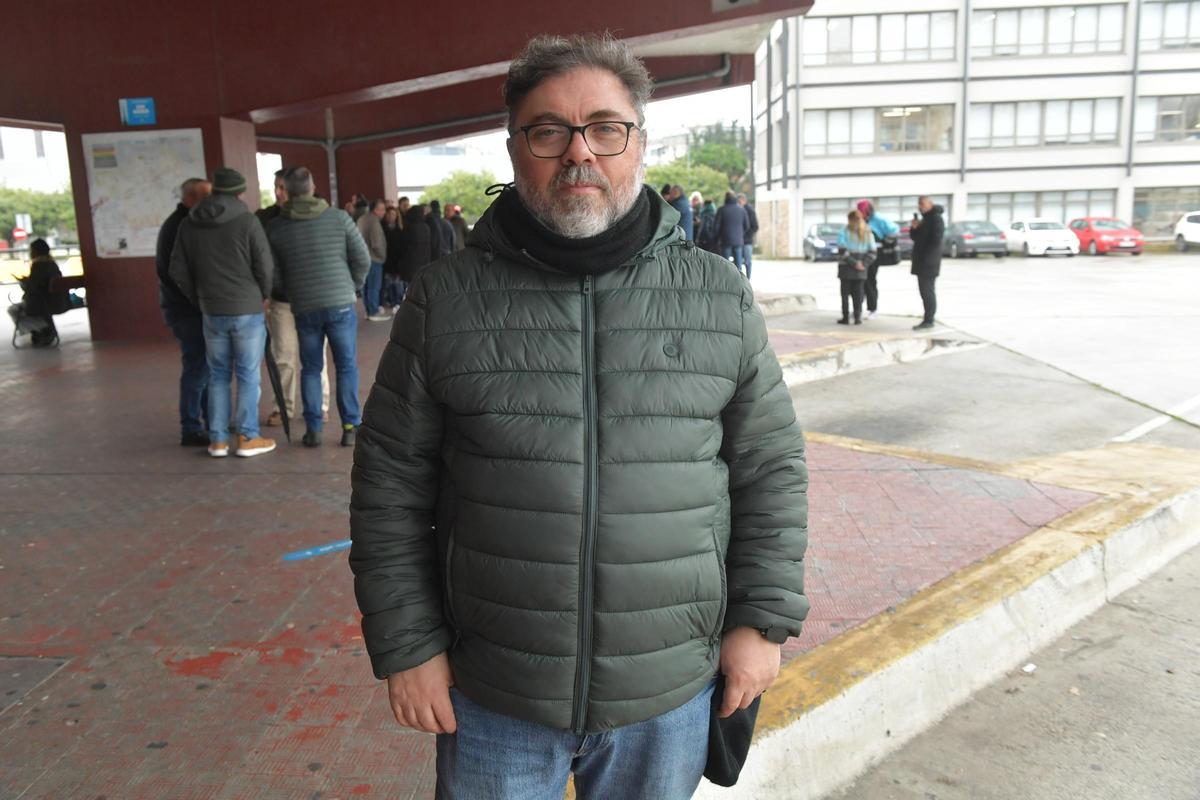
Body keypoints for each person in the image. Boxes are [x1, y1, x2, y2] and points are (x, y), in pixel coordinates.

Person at [348, 33, 808, 800]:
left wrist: (760, 624)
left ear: (639, 144)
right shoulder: (445, 298)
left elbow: (770, 473)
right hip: (493, 693)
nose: (578, 153)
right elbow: (389, 489)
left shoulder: (716, 296)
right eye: (548, 131)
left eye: (604, 127)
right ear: (515, 149)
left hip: (666, 692)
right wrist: (407, 646)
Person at [168, 167, 276, 458]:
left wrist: (199, 297)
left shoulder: (189, 224)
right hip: (246, 310)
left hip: (211, 310)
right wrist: (264, 295)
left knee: (217, 375)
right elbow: (264, 266)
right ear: (239, 192)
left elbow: (177, 269)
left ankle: (217, 441)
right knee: (247, 374)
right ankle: (247, 437)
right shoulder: (247, 220)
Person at [264, 167, 371, 448]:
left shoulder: (276, 228)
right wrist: (353, 287)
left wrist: (293, 292)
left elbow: (272, 273)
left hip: (304, 306)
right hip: (340, 303)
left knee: (311, 366)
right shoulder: (339, 218)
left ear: (287, 191)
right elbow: (362, 259)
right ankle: (350, 426)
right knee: (346, 365)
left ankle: (313, 430)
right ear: (312, 188)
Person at [258, 168, 330, 429]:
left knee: (315, 357)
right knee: (284, 356)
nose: (278, 193)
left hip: (313, 300)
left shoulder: (322, 216)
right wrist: (266, 290)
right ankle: (283, 407)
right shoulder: (265, 219)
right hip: (282, 300)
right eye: (275, 187)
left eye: (282, 187)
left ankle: (320, 406)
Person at [155, 177, 212, 444]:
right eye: (205, 196)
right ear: (190, 198)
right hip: (186, 310)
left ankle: (213, 420)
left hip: (189, 308)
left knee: (205, 366)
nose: (210, 201)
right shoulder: (179, 227)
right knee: (197, 366)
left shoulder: (183, 223)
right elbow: (175, 275)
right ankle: (191, 427)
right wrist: (199, 300)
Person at [19, 238, 68, 347]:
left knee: (14, 310)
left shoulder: (38, 265)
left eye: (31, 250)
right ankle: (43, 330)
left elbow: (32, 288)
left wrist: (23, 282)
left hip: (43, 303)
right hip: (57, 300)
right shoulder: (52, 263)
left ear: (35, 251)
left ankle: (41, 330)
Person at [856, 200, 899, 319]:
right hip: (861, 253)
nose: (860, 214)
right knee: (859, 282)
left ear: (867, 211)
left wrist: (885, 242)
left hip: (873, 254)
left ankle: (872, 309)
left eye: (861, 211)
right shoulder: (861, 220)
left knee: (870, 281)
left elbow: (894, 229)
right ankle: (857, 308)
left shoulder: (878, 219)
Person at [909, 196, 945, 330]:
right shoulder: (926, 219)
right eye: (919, 204)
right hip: (922, 261)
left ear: (930, 204)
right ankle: (928, 318)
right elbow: (915, 238)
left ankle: (929, 320)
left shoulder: (935, 219)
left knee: (927, 291)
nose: (920, 206)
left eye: (922, 204)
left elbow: (935, 241)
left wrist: (926, 258)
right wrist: (914, 228)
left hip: (928, 262)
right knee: (924, 291)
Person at [836, 210, 876, 325]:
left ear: (850, 219)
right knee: (858, 295)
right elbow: (873, 252)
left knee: (845, 294)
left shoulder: (844, 231)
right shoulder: (868, 233)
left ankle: (845, 317)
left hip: (846, 268)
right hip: (861, 270)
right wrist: (863, 264)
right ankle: (857, 317)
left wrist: (854, 263)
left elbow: (842, 250)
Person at [357, 198, 390, 321]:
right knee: (374, 286)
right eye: (382, 209)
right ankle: (373, 312)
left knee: (366, 287)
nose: (384, 212)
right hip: (374, 258)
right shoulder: (374, 221)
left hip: (362, 258)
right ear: (375, 210)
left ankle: (368, 310)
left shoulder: (362, 219)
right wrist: (383, 256)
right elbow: (377, 243)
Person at [715, 191, 751, 278]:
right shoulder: (741, 210)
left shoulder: (721, 210)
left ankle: (726, 282)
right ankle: (739, 281)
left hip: (725, 240)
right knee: (738, 264)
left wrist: (717, 237)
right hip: (738, 240)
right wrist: (740, 233)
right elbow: (747, 226)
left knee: (725, 264)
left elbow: (716, 227)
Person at [397, 204, 431, 287]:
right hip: (423, 263)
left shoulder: (408, 228)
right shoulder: (426, 227)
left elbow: (402, 246)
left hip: (409, 264)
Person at [737, 193, 759, 278]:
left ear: (744, 200)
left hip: (747, 241)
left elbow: (755, 226)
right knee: (738, 262)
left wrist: (745, 235)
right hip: (739, 241)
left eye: (739, 201)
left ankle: (748, 280)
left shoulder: (749, 211)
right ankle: (740, 281)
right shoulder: (738, 210)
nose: (738, 203)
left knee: (747, 262)